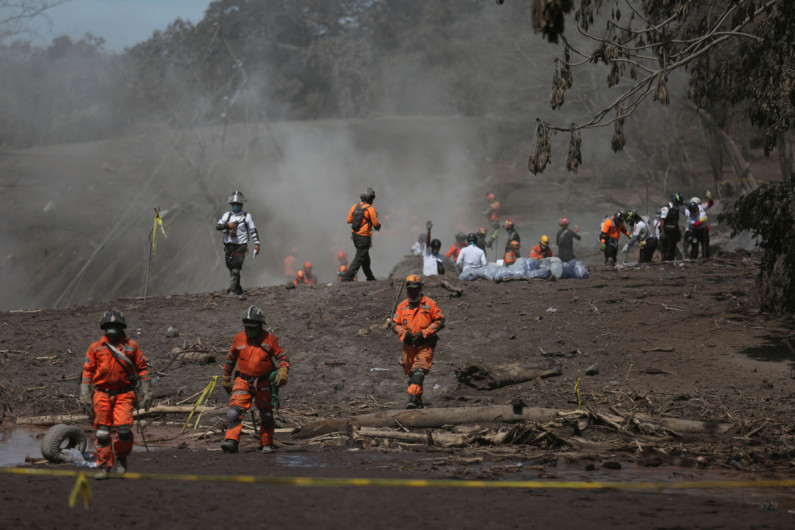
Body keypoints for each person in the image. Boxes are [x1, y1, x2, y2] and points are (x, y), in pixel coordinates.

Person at [80, 308, 152, 478]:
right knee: (102, 433)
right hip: (101, 394)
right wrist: (84, 394)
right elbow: (87, 372)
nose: (112, 328)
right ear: (104, 327)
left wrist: (147, 391)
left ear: (122, 327)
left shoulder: (131, 347)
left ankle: (121, 459)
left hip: (124, 395)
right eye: (109, 325)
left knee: (124, 431)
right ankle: (104, 467)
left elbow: (142, 369)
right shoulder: (96, 348)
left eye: (116, 325)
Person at [220, 306, 289, 454]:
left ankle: (266, 443)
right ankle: (231, 441)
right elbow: (230, 359)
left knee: (266, 415)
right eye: (247, 327)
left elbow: (282, 357)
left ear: (260, 326)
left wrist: (283, 370)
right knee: (234, 412)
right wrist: (226, 377)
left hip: (264, 382)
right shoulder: (238, 339)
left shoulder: (269, 339)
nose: (249, 330)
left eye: (252, 327)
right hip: (243, 380)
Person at [391, 275, 445, 409]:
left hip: (425, 345)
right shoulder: (402, 306)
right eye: (410, 289)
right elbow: (395, 324)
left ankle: (412, 400)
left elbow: (439, 321)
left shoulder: (430, 304)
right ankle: (418, 400)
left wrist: (425, 333)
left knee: (419, 372)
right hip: (408, 346)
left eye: (415, 289)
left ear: (420, 289)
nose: (412, 292)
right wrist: (404, 334)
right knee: (412, 374)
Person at [216, 190, 261, 295]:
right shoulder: (226, 216)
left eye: (238, 204)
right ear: (231, 204)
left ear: (241, 204)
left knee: (236, 269)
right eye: (234, 204)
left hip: (241, 245)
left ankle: (232, 292)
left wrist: (257, 244)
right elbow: (218, 226)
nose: (236, 206)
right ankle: (238, 288)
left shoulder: (246, 216)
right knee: (231, 268)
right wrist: (228, 225)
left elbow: (253, 230)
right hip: (228, 246)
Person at [343, 187, 381, 281]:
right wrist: (377, 226)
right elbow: (376, 224)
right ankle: (347, 278)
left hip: (355, 236)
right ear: (370, 199)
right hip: (364, 237)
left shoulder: (355, 206)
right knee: (359, 257)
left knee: (365, 257)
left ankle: (370, 277)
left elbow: (349, 220)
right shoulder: (370, 209)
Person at [684, 192, 714, 259]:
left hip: (704, 230)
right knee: (695, 246)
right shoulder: (689, 213)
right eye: (694, 210)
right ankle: (693, 260)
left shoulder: (701, 207)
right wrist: (702, 220)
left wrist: (710, 198)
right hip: (695, 232)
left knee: (705, 246)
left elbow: (710, 203)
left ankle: (706, 260)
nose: (696, 210)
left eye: (696, 208)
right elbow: (695, 224)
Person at [659, 193, 684, 261]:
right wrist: (662, 232)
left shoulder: (676, 209)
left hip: (674, 233)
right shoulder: (666, 208)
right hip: (667, 233)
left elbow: (676, 222)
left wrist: (678, 233)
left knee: (672, 250)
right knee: (667, 250)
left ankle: (671, 263)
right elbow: (662, 220)